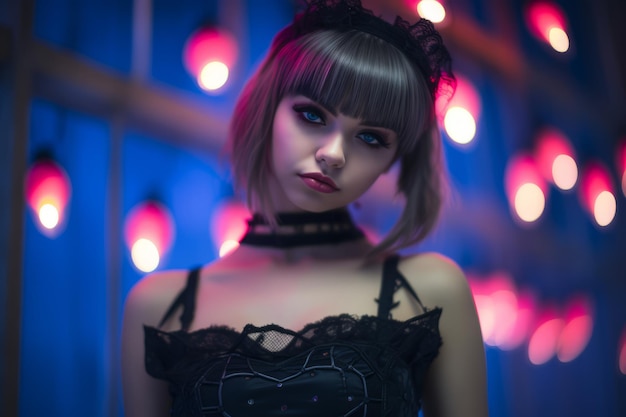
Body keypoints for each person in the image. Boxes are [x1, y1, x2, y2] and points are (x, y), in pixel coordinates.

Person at [121, 0, 488, 416]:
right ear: (268, 108)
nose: (333, 154)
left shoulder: (431, 292)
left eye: (370, 138)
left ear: (394, 160)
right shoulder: (158, 306)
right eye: (312, 115)